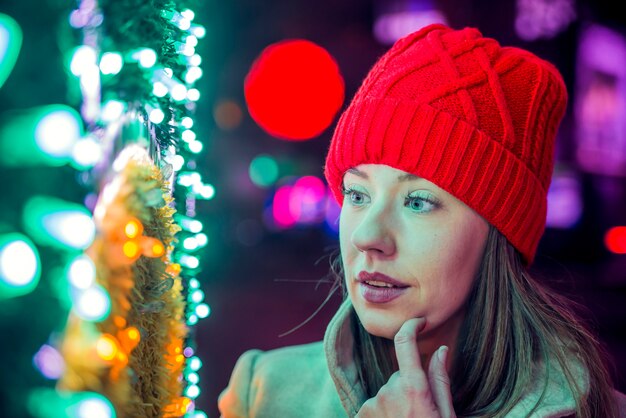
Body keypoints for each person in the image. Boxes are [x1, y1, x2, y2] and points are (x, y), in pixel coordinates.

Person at [218, 23, 626, 417]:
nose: (367, 236)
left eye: (418, 201)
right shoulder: (264, 393)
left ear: (499, 234)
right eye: (357, 195)